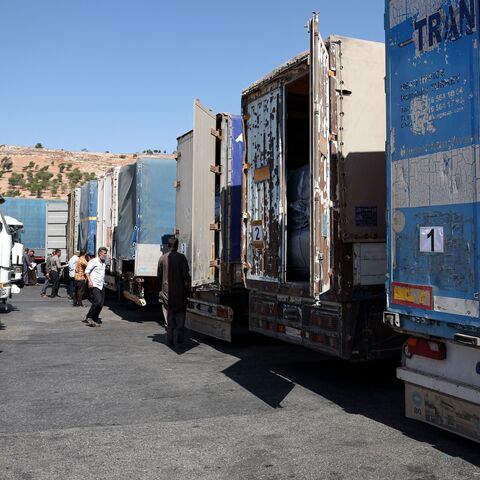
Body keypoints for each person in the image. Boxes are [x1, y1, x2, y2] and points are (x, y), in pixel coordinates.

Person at [157, 237, 191, 347]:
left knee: (168, 314)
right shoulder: (182, 258)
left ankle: (170, 337)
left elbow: (159, 276)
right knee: (180, 312)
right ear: (177, 246)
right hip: (180, 291)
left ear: (168, 245)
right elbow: (186, 276)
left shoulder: (162, 258)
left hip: (166, 291)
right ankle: (180, 329)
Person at [84, 247, 108, 327]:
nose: (105, 255)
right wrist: (90, 281)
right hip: (94, 284)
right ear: (100, 253)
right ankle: (89, 317)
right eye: (104, 253)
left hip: (101, 285)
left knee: (101, 304)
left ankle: (94, 319)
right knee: (97, 301)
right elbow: (87, 271)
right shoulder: (93, 261)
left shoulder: (103, 262)